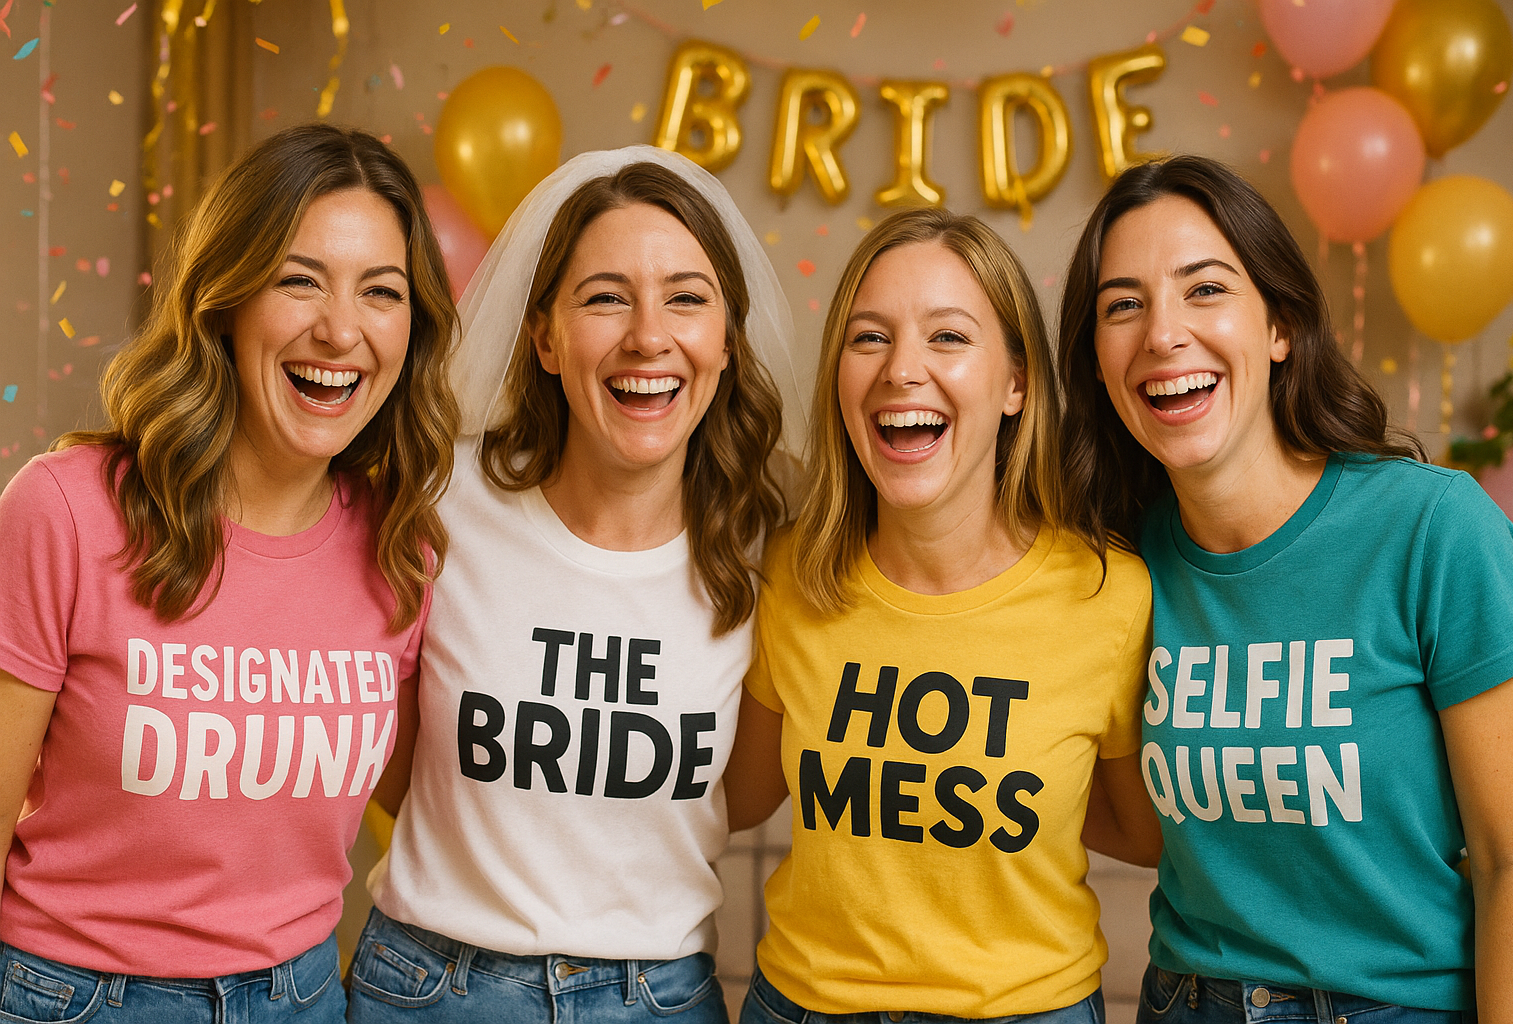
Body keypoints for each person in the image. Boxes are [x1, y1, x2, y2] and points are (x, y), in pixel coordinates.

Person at [1056, 154, 1513, 1024]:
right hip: (1184, 1002)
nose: (1162, 334)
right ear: (1094, 359)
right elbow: (1136, 824)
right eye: (1123, 305)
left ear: (1280, 325)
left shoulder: (1434, 530)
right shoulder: (1111, 563)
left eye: (1205, 289)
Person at [0, 123, 459, 1023]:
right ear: (226, 300)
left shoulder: (402, 548)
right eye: (299, 280)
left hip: (305, 996)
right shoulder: (64, 510)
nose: (341, 329)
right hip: (76, 998)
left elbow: (441, 805)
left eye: (381, 291)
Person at [347, 146, 809, 1024]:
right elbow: (392, 758)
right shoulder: (439, 502)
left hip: (659, 998)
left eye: (686, 298)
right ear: (545, 338)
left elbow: (745, 796)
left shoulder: (772, 547)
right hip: (429, 991)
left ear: (726, 341)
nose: (648, 336)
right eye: (605, 298)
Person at [724, 207, 1159, 1024]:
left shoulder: (1111, 595)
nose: (901, 370)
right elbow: (736, 800)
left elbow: (1143, 834)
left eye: (948, 337)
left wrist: (1013, 801)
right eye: (869, 338)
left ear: (1017, 383)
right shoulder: (792, 573)